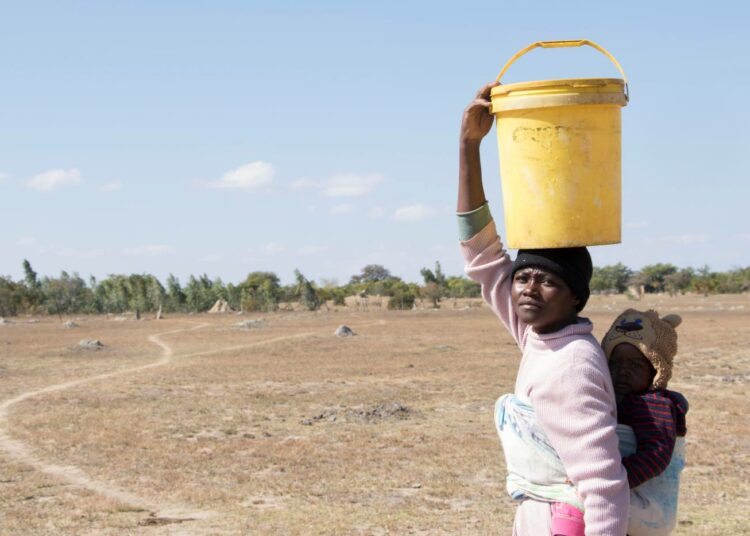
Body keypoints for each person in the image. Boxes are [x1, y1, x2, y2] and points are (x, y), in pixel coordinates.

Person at [458, 82, 629, 535]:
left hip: (564, 522)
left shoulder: (571, 365)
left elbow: (604, 483)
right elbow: (483, 254)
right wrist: (469, 147)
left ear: (576, 297)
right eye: (523, 277)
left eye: (548, 280)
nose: (529, 288)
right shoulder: (539, 335)